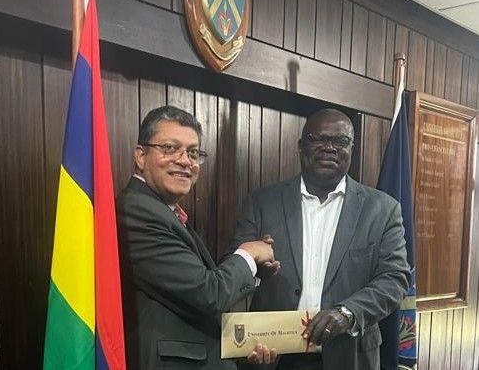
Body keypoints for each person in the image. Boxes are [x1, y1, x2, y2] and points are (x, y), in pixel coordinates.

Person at [227, 108, 411, 370]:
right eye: (318, 139)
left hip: (349, 355)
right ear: (301, 146)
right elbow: (233, 268)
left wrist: (348, 313)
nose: (329, 148)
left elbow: (395, 278)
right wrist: (257, 273)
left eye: (340, 141)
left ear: (352, 148)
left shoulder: (383, 209)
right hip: (274, 356)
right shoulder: (262, 202)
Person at [117, 106, 278, 370]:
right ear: (141, 156)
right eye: (170, 148)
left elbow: (191, 297)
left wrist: (255, 269)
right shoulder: (137, 210)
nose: (184, 161)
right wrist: (248, 254)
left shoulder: (164, 210)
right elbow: (209, 294)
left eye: (193, 153)